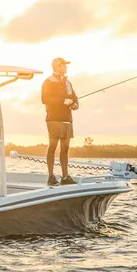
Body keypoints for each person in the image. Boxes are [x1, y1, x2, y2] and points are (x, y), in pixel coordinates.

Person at [41, 57, 79, 186]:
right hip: (54, 119)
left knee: (65, 148)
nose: (66, 67)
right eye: (64, 65)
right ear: (58, 66)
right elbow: (45, 99)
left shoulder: (68, 82)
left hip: (67, 119)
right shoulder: (48, 82)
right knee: (52, 147)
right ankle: (51, 177)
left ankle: (65, 177)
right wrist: (62, 101)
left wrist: (75, 104)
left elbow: (74, 97)